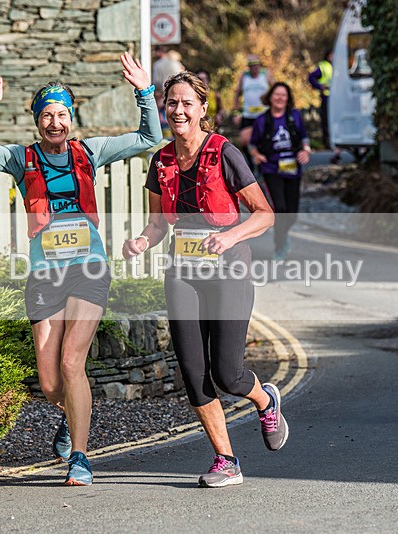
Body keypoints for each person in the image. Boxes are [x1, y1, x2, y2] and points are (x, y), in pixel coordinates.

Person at [0, 52, 163, 485]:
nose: (55, 122)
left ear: (71, 119)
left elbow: (149, 138)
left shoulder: (91, 151)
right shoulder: (20, 159)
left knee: (73, 362)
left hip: (89, 268)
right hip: (44, 275)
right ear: (37, 121)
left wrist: (144, 91)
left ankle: (82, 458)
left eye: (62, 114)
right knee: (52, 383)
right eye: (47, 115)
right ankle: (71, 417)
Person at [122, 71, 287, 488]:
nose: (178, 110)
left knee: (228, 374)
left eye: (186, 103)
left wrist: (230, 234)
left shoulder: (223, 153)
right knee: (194, 373)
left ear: (202, 109)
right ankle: (226, 460)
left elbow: (264, 214)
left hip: (229, 270)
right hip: (184, 275)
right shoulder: (160, 161)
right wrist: (142, 241)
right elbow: (158, 224)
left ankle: (265, 400)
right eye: (171, 103)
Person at [248, 82, 311, 260]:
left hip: (293, 169)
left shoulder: (295, 117)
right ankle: (279, 244)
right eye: (277, 95)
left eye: (283, 95)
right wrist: (256, 155)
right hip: (271, 169)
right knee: (280, 209)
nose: (280, 98)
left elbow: (304, 138)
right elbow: (253, 145)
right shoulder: (262, 120)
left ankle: (283, 235)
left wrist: (306, 151)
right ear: (270, 97)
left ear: (288, 98)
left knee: (292, 213)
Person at [308, 49, 342, 164]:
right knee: (327, 121)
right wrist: (319, 86)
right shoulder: (324, 66)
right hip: (327, 98)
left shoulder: (339, 65)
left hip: (337, 98)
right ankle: (328, 143)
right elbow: (311, 77)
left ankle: (337, 143)